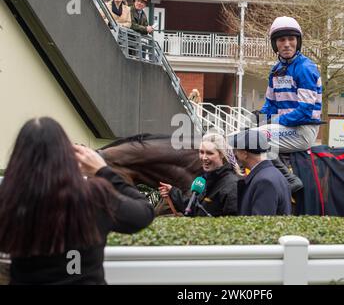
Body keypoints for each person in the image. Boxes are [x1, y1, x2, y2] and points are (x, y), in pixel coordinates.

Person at [0, 117, 154, 285]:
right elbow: (144, 213)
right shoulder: (95, 196)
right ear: (67, 156)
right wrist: (103, 171)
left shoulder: (8, 199)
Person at [255, 16, 322, 153]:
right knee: (245, 135)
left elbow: (304, 112)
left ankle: (285, 175)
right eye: (281, 40)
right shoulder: (276, 70)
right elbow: (271, 105)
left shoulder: (305, 68)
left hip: (303, 130)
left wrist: (274, 121)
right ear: (275, 44)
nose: (286, 44)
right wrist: (260, 117)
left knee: (252, 139)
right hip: (285, 128)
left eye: (291, 39)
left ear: (298, 42)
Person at [158, 133, 241, 217]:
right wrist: (172, 192)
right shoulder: (205, 180)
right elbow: (194, 209)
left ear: (221, 154)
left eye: (209, 153)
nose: (204, 157)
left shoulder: (232, 185)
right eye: (201, 152)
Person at [229, 129, 291, 216]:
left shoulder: (264, 182)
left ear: (245, 154)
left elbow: (261, 225)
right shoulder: (270, 173)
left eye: (236, 151)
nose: (235, 155)